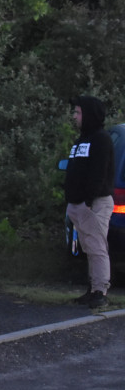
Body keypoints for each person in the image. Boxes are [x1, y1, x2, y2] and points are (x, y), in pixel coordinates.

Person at [65, 95, 115, 309]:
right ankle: (92, 288)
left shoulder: (101, 139)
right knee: (88, 248)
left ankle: (100, 292)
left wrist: (88, 200)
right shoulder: (81, 141)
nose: (74, 116)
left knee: (97, 248)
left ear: (89, 114)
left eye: (77, 112)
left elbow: (99, 173)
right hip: (78, 205)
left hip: (94, 204)